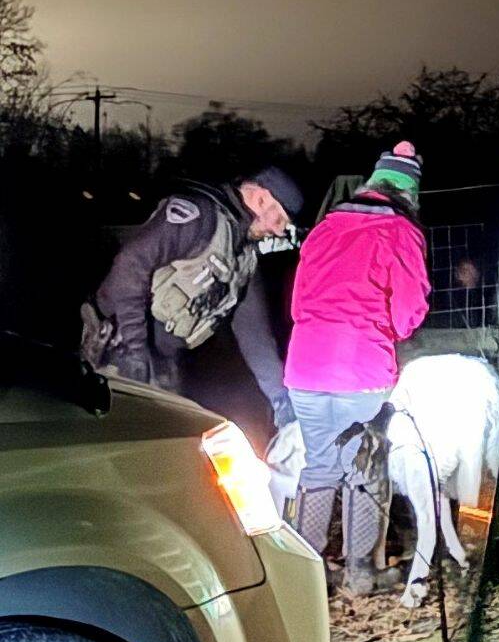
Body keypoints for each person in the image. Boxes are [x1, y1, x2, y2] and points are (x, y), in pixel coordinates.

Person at [285, 142, 431, 595]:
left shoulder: (324, 228)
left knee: (319, 467)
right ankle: (360, 573)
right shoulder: (402, 231)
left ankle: (305, 578)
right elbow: (409, 312)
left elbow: (297, 301)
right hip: (360, 367)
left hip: (305, 368)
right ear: (409, 193)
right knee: (363, 468)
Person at [80, 167, 302, 430]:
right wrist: (136, 352)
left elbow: (253, 333)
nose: (278, 232)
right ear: (261, 199)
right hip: (117, 348)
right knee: (114, 444)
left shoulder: (243, 256)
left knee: (164, 445)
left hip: (163, 360)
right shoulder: (200, 218)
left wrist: (279, 395)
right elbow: (129, 266)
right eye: (279, 220)